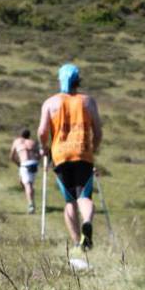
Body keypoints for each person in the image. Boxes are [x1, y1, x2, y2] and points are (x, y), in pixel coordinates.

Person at [37, 64, 102, 250]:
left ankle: (76, 242)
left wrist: (44, 148)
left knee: (69, 200)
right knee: (84, 196)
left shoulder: (50, 103)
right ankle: (87, 222)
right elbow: (97, 132)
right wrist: (92, 149)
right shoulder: (88, 102)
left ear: (60, 80)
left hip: (60, 155)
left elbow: (42, 131)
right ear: (78, 81)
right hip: (83, 154)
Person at [9, 128, 40, 214]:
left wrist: (18, 163)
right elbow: (39, 154)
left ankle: (31, 205)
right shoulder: (33, 142)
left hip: (25, 164)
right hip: (33, 163)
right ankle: (30, 197)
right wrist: (37, 162)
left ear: (20, 135)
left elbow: (11, 156)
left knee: (27, 185)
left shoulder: (17, 141)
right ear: (29, 135)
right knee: (25, 183)